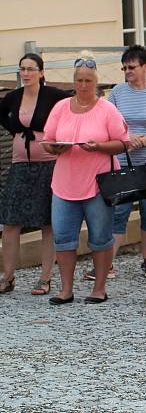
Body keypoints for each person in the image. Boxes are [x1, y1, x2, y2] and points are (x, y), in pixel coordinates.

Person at [42, 52, 130, 305]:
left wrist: (100, 147)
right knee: (63, 237)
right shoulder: (60, 107)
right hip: (64, 183)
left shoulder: (107, 109)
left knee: (100, 237)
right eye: (79, 81)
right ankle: (66, 289)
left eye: (88, 81)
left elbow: (124, 143)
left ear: (96, 83)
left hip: (98, 184)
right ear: (73, 82)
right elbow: (48, 140)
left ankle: (99, 288)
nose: (82, 86)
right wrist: (55, 148)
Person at [98, 45, 146, 280]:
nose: (127, 71)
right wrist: (128, 140)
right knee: (120, 210)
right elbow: (109, 123)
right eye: (124, 67)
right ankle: (108, 262)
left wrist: (144, 140)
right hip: (124, 159)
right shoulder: (117, 93)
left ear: (145, 66)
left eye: (132, 67)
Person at [0, 53, 69, 295]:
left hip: (49, 165)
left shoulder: (53, 96)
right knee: (10, 221)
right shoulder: (13, 97)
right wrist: (15, 131)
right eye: (22, 69)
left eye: (31, 69)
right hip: (20, 165)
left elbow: (72, 107)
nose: (26, 73)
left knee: (47, 222)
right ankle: (7, 276)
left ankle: (45, 277)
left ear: (41, 71)